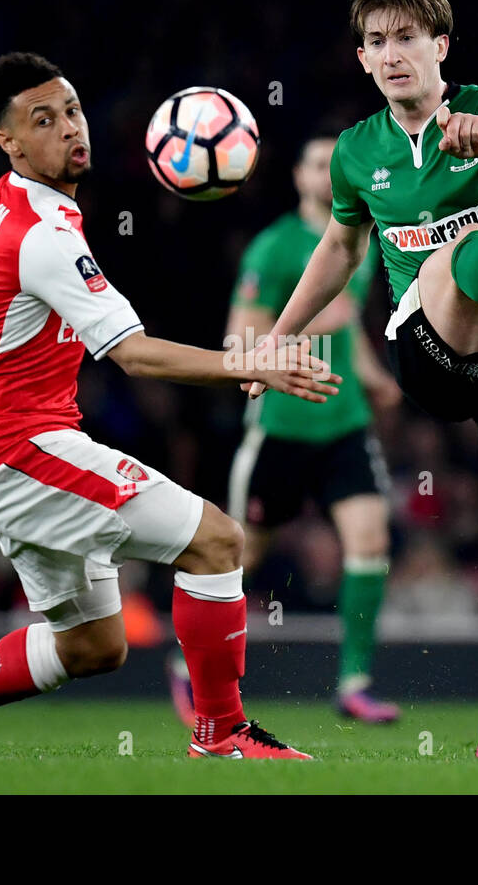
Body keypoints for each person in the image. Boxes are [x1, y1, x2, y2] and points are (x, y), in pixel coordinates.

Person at [0, 52, 341, 760]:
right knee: (218, 542)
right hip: (18, 448)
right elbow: (133, 355)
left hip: (0, 449)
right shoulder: (43, 235)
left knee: (93, 646)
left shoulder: (7, 206)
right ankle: (223, 734)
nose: (69, 130)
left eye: (72, 111)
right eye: (42, 121)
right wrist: (254, 361)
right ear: (9, 144)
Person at [251, 0, 478, 759]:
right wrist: (279, 337)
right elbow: (339, 248)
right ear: (363, 59)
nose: (392, 54)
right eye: (376, 42)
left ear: (439, 44)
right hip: (426, 341)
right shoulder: (359, 153)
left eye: (406, 38)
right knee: (455, 254)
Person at [168, 133, 403, 724]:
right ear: (297, 176)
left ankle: (354, 681)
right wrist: (316, 321)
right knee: (237, 558)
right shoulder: (272, 249)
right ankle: (187, 665)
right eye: (317, 163)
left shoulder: (360, 239)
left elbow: (345, 332)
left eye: (336, 164)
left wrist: (373, 377)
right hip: (279, 428)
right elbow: (239, 340)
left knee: (370, 543)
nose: (328, 174)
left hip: (343, 421)